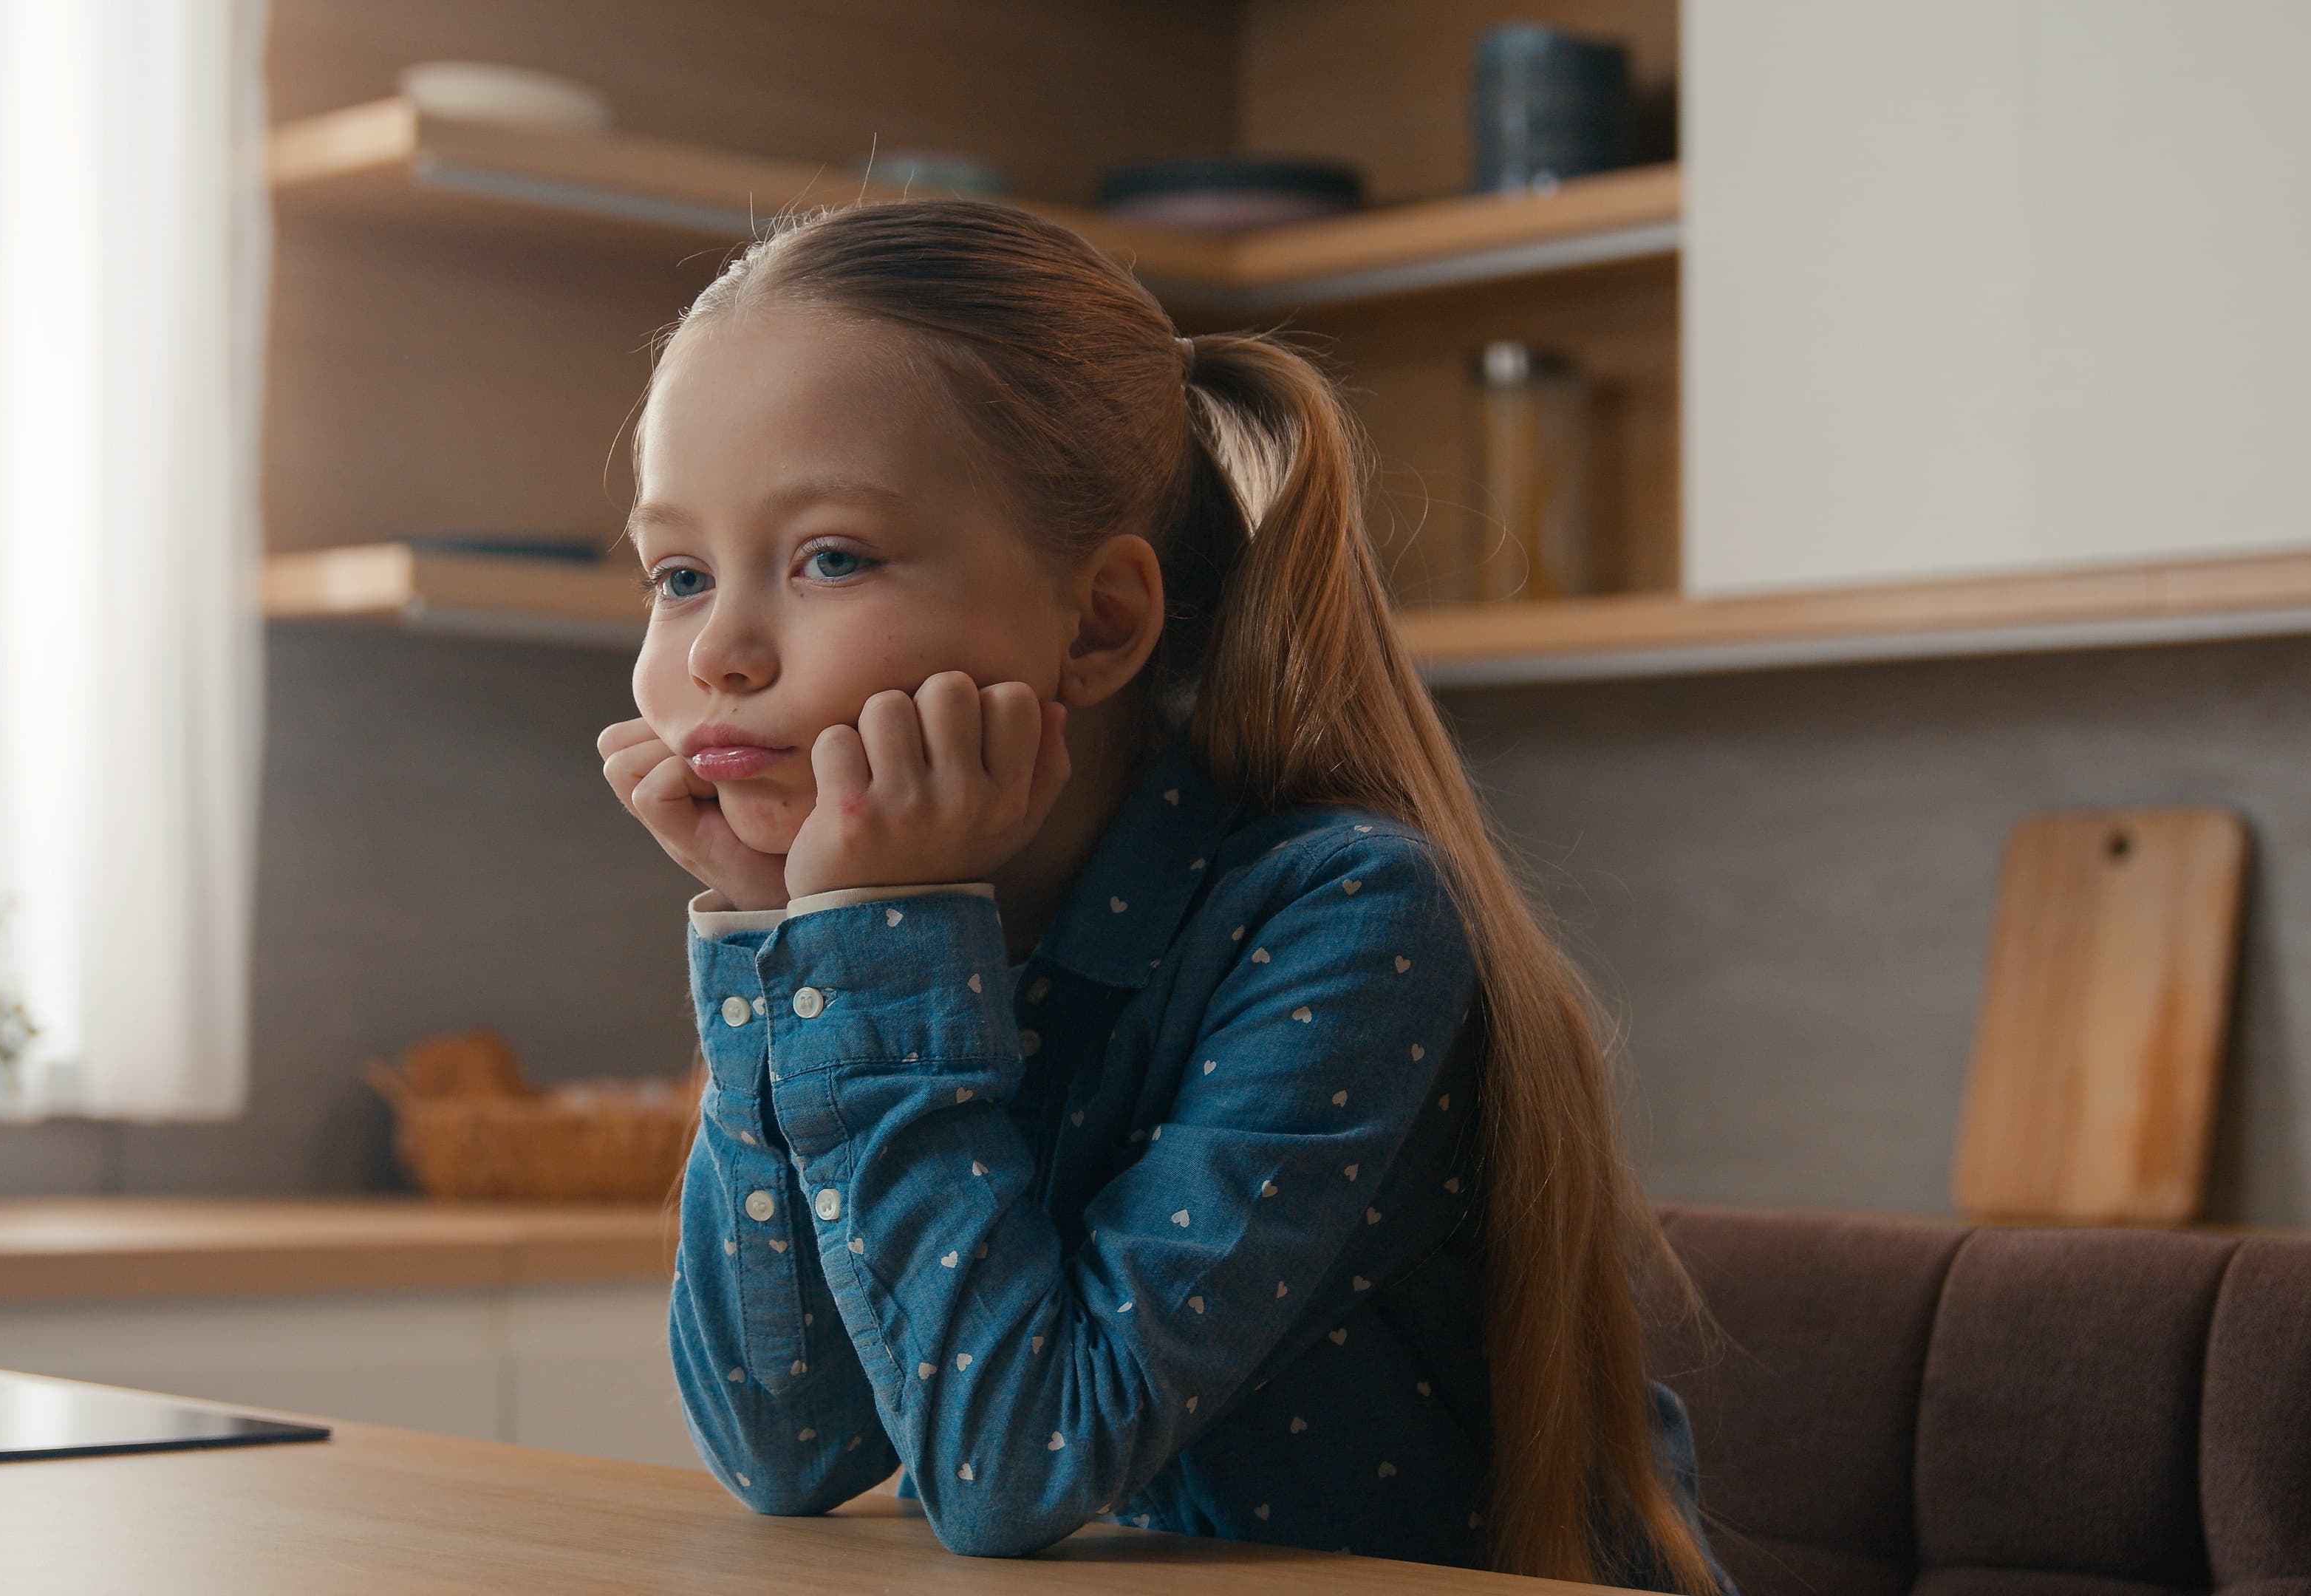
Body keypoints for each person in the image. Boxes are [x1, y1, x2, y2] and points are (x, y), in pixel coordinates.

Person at [597, 198, 1729, 1592]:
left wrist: (863, 949)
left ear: (1102, 622)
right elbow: (785, 1444)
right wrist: (784, 941)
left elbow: (1012, 1469)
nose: (718, 650)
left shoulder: (1343, 916)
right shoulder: (905, 918)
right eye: (678, 574)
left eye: (830, 556)